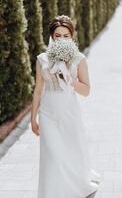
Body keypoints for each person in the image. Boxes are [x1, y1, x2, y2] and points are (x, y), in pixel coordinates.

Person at [31, 15, 101, 198]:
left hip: (69, 113)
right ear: (51, 37)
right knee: (53, 157)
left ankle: (75, 188)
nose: (61, 39)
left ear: (72, 37)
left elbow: (86, 90)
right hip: (47, 114)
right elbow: (38, 90)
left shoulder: (79, 59)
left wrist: (71, 81)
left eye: (65, 35)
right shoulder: (42, 59)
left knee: (70, 154)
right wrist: (33, 118)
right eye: (57, 36)